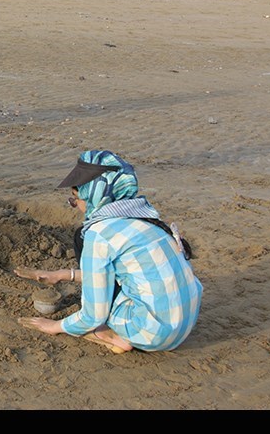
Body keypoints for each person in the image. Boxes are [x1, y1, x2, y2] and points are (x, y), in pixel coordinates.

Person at [16, 150, 203, 354]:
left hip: (152, 335)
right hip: (185, 324)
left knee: (81, 238)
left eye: (75, 199)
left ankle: (111, 335)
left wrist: (54, 326)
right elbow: (117, 274)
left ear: (93, 195)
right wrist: (62, 275)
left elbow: (93, 314)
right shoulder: (146, 217)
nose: (74, 206)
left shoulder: (99, 234)